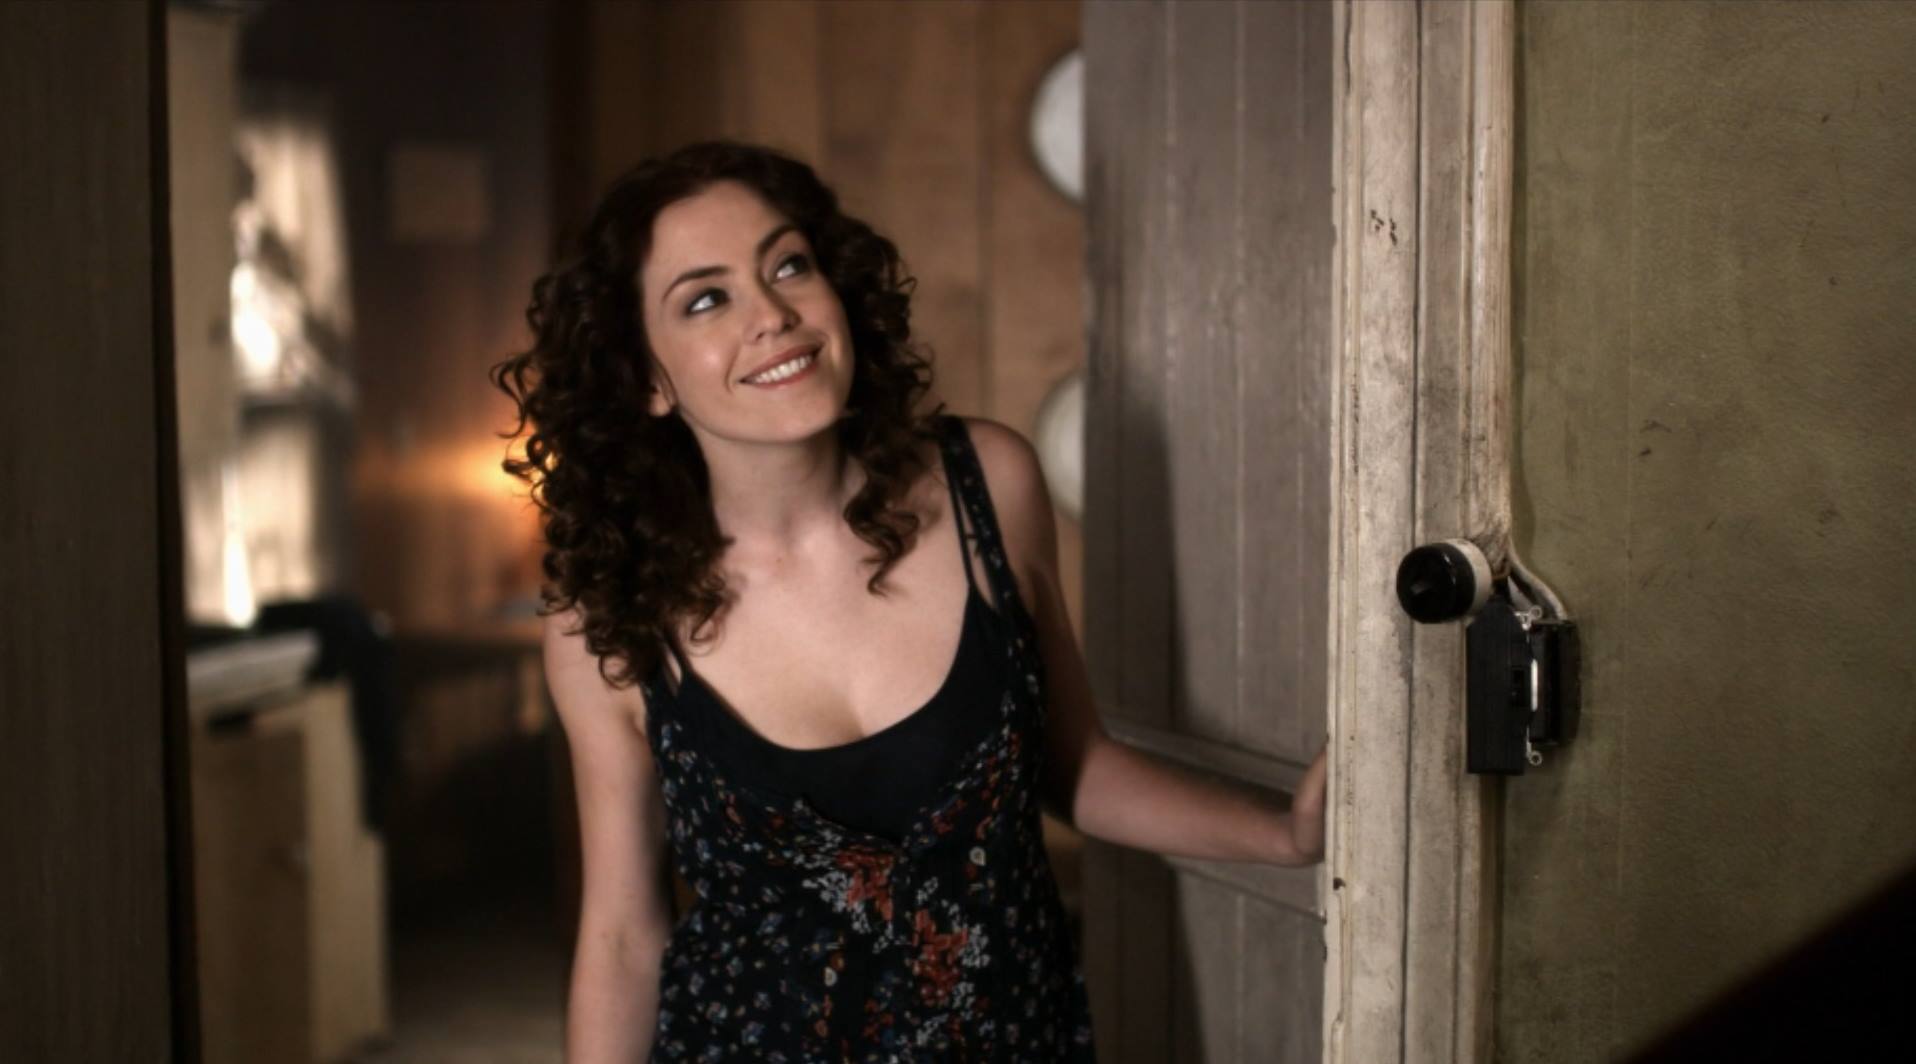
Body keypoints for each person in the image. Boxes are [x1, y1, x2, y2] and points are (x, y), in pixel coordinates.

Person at [493, 141, 1328, 1062]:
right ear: (647, 379)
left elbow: (1076, 766)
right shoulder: (606, 619)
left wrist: (1285, 835)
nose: (772, 314)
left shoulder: (989, 487)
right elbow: (621, 935)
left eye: (788, 265)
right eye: (705, 299)